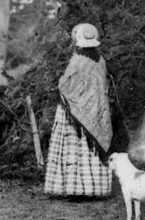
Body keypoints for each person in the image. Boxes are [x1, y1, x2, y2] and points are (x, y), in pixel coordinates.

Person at [43, 23, 113, 197]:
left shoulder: (77, 60)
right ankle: (96, 188)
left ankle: (75, 188)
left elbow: (66, 85)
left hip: (75, 112)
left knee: (75, 146)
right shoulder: (101, 60)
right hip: (97, 109)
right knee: (91, 147)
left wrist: (60, 86)